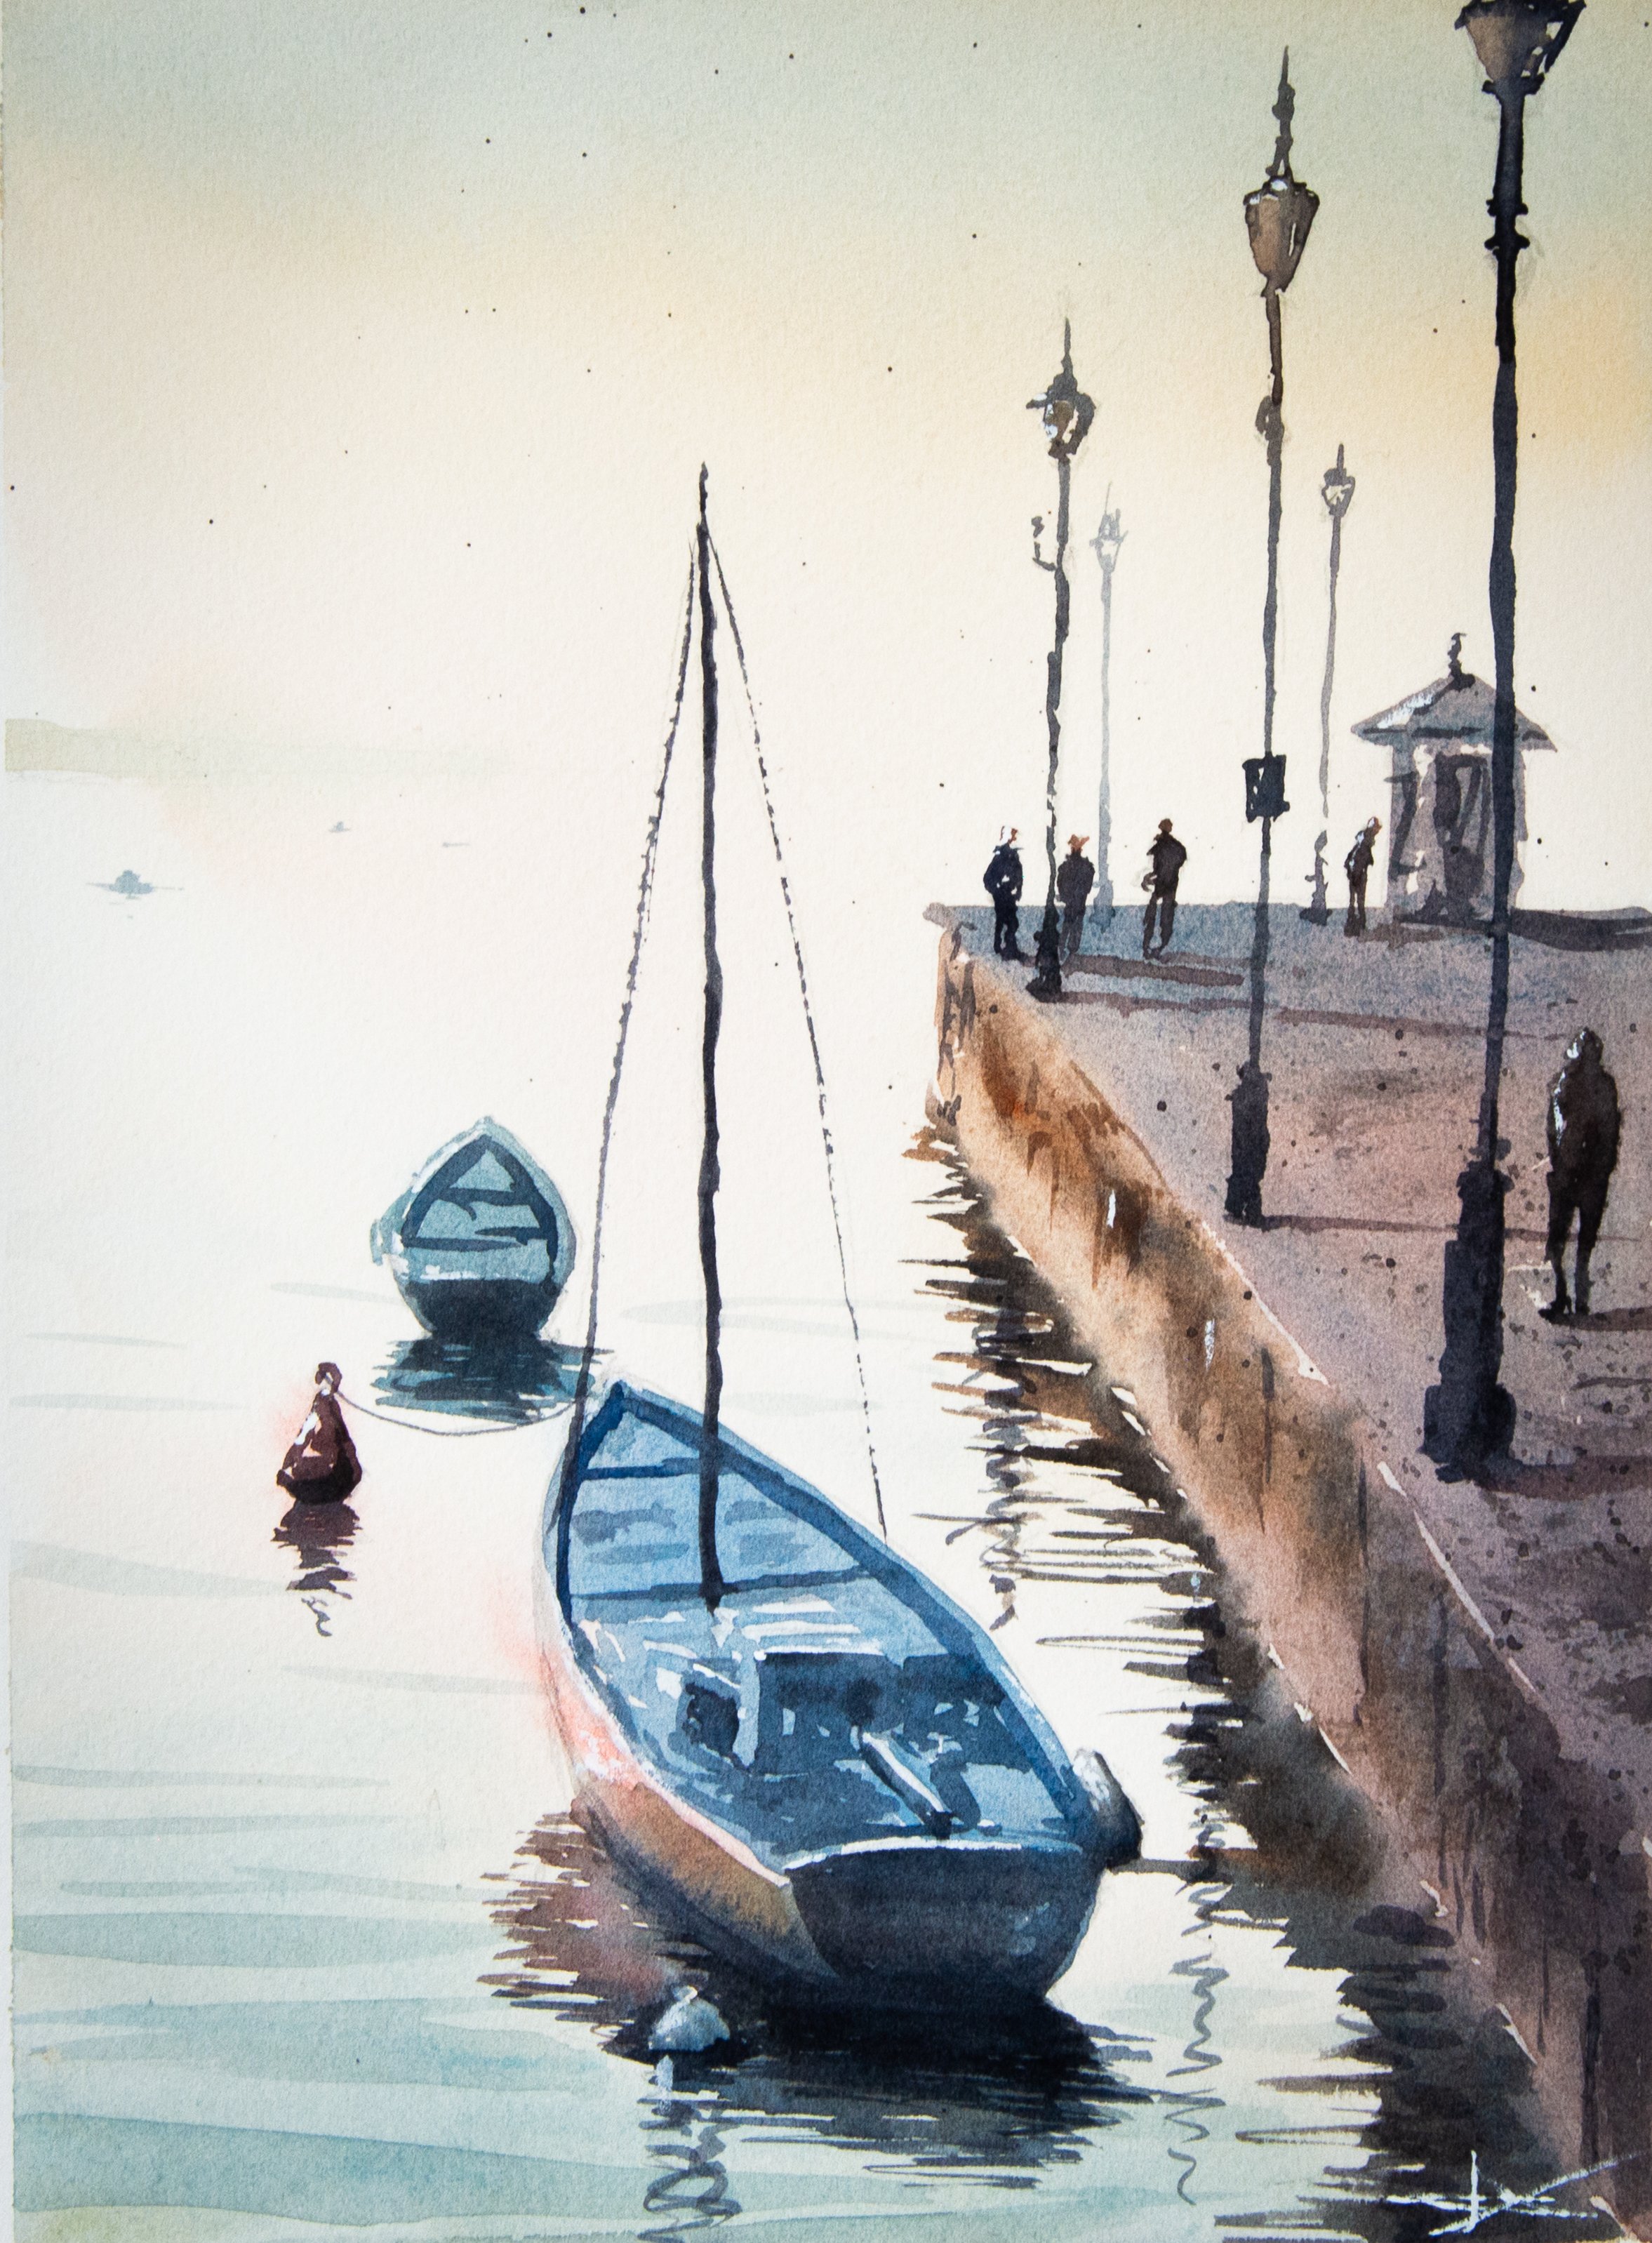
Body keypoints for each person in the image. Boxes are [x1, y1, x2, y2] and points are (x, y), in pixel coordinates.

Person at [1540, 1029, 1621, 1319]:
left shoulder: (1572, 1085)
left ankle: (1570, 1296)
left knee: (1571, 1239)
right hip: (1579, 1174)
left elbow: (1556, 1131)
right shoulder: (1571, 1085)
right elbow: (1555, 1129)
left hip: (1579, 1174)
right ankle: (1570, 1296)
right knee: (1570, 1240)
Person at [277, 1362, 363, 1503]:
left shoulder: (324, 1406)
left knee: (301, 1470)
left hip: (335, 1484)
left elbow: (303, 1438)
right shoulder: (330, 1408)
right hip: (348, 1478)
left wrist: (286, 1474)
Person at [1141, 819, 1186, 958]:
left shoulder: (1160, 847)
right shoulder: (1178, 848)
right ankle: (1161, 946)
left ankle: (1149, 946)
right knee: (1166, 918)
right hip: (1170, 887)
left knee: (1152, 915)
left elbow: (1158, 870)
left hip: (1162, 886)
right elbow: (1175, 865)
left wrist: (1148, 879)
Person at [984, 826, 1025, 959]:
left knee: (1011, 922)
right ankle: (1000, 948)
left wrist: (1019, 889)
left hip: (1010, 895)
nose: (1016, 838)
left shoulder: (1014, 856)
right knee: (1003, 922)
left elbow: (1020, 875)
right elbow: (988, 877)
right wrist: (996, 889)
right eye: (1013, 836)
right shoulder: (1000, 857)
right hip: (1002, 895)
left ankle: (1009, 948)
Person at [1056, 834, 1095, 963]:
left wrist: (1065, 896)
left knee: (1069, 927)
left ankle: (1063, 951)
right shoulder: (1086, 866)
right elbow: (1088, 885)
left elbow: (1060, 883)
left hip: (1072, 902)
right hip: (1078, 902)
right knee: (1074, 928)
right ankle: (1068, 952)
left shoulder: (1066, 866)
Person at [1344, 817, 1382, 936]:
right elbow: (1364, 858)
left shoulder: (1362, 840)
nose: (1377, 832)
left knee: (1354, 899)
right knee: (1359, 900)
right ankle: (1360, 926)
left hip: (1354, 870)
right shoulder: (1366, 842)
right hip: (1358, 872)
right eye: (1376, 829)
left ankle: (1354, 923)